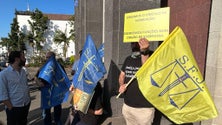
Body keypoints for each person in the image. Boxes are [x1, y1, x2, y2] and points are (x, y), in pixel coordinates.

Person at [118, 38, 155, 125]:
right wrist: (121, 85)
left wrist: (144, 51)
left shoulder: (152, 56)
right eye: (132, 42)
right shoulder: (128, 58)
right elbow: (122, 75)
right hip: (128, 106)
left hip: (144, 109)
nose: (133, 44)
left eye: (136, 42)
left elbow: (145, 69)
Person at [0, 51, 31, 125]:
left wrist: (28, 100)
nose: (25, 59)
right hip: (14, 108)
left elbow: (25, 86)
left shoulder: (23, 71)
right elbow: (2, 94)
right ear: (17, 59)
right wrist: (10, 107)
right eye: (23, 57)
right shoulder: (3, 74)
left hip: (25, 105)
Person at [35, 51, 64, 125]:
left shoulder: (59, 67)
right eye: (46, 57)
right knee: (46, 109)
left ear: (54, 57)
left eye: (49, 57)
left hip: (56, 91)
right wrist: (39, 83)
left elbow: (64, 78)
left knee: (57, 107)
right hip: (46, 91)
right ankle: (47, 122)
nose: (47, 58)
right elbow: (36, 77)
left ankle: (57, 120)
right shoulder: (43, 67)